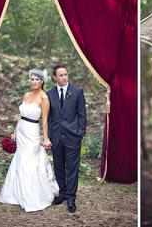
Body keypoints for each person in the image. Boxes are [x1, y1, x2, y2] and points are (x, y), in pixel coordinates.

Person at [0, 69, 59, 212]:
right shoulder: (26, 95)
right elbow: (20, 115)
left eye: (36, 79)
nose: (33, 82)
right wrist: (15, 131)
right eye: (31, 79)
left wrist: (45, 138)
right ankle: (16, 194)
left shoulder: (44, 98)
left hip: (32, 132)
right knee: (20, 159)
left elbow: (44, 121)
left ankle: (32, 195)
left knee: (30, 160)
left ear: (42, 81)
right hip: (21, 131)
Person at [46, 64, 87, 213]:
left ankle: (71, 198)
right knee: (58, 166)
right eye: (61, 75)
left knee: (72, 168)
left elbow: (82, 114)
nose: (64, 77)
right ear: (55, 77)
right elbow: (48, 117)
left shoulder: (77, 92)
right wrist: (48, 136)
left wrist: (80, 132)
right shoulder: (49, 94)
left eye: (66, 74)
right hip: (56, 137)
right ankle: (62, 193)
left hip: (72, 137)